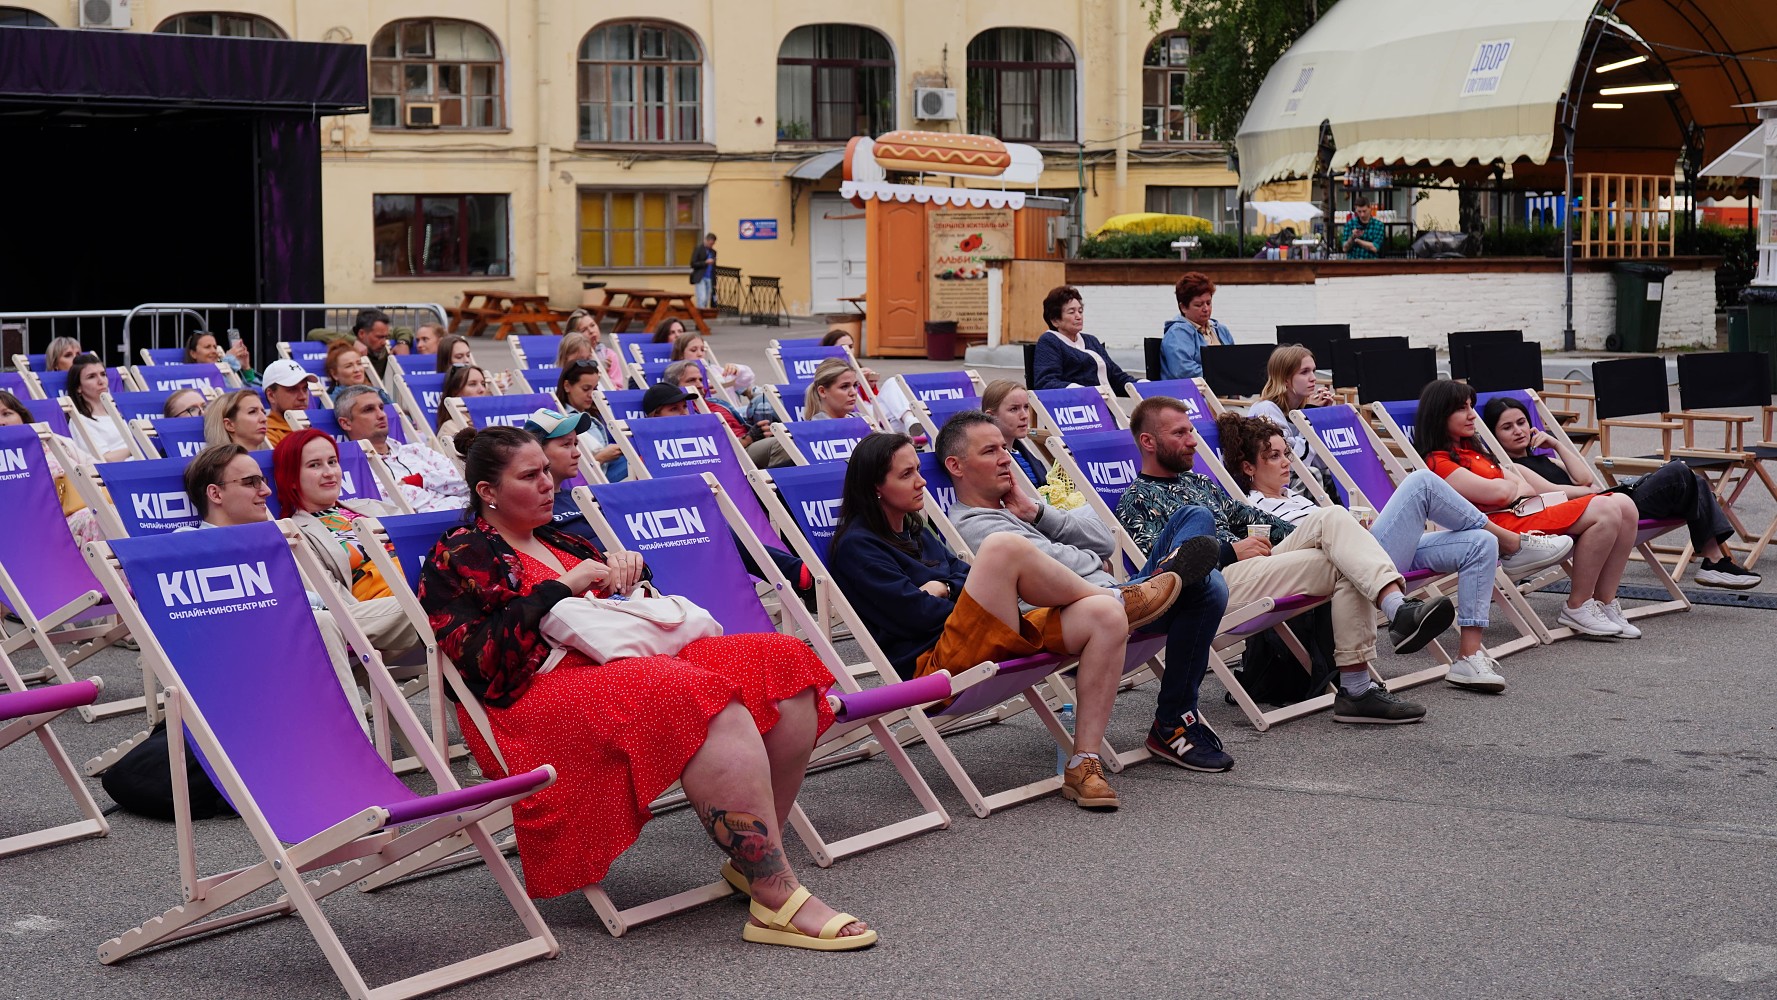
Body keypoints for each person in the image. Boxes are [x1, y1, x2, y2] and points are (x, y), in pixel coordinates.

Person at [417, 428, 873, 949]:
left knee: (781, 662)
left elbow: (620, 619)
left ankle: (755, 860)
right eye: (530, 475)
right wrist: (561, 587)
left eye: (547, 469)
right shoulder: (458, 554)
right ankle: (776, 895)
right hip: (529, 702)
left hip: (625, 669)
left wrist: (629, 576)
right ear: (487, 492)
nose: (549, 482)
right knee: (696, 691)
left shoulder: (563, 538)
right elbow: (482, 662)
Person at [829, 433, 1180, 807]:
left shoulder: (914, 529)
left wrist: (945, 590)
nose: (922, 482)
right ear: (876, 487)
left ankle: (1084, 762)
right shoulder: (857, 546)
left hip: (978, 638)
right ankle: (1120, 594)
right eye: (906, 475)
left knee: (1105, 617)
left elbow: (960, 578)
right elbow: (914, 616)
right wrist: (962, 599)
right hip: (933, 664)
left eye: (918, 470)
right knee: (1001, 546)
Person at [1116, 396, 1448, 723]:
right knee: (1343, 555)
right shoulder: (1137, 500)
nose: (1193, 441)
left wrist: (1332, 537)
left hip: (1260, 566)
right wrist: (1231, 551)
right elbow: (1165, 570)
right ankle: (1363, 678)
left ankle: (1380, 643)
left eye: (1191, 431)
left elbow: (1248, 514)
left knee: (1335, 526)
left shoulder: (1199, 482)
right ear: (1148, 441)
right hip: (1217, 585)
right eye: (1180, 434)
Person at [943, 412, 1235, 769]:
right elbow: (1067, 567)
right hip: (1084, 614)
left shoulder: (1018, 507)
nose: (1006, 457)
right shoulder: (974, 526)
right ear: (956, 466)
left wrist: (1036, 512)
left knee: (1195, 514)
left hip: (1116, 594)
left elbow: (1103, 539)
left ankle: (1164, 581)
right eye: (990, 451)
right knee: (1209, 585)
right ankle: (1173, 721)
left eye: (1005, 447)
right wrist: (1092, 561)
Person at [1218, 411, 1573, 691]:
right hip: (1344, 571)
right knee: (1420, 483)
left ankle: (1469, 657)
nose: (1286, 463)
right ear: (1249, 468)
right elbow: (1297, 555)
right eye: (1274, 456)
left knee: (1479, 543)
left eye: (1287, 454)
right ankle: (1513, 544)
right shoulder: (1256, 509)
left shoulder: (1296, 497)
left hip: (1369, 557)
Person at [1416, 379, 1643, 639]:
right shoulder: (1438, 461)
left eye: (1471, 406)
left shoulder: (1472, 450)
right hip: (1503, 528)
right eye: (1462, 409)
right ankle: (1577, 606)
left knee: (1625, 504)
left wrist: (1510, 489)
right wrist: (1509, 489)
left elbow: (1523, 487)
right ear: (1440, 415)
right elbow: (1502, 491)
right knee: (1605, 509)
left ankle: (1604, 602)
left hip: (1522, 512)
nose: (1471, 415)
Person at [1482, 395, 1759, 589]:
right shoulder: (1513, 468)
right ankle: (1714, 563)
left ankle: (1715, 561)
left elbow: (1584, 477)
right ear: (1494, 436)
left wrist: (1555, 443)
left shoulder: (1545, 459)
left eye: (1521, 422)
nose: (1518, 431)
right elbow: (1558, 494)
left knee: (1692, 480)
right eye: (1507, 427)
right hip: (1594, 511)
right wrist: (1585, 491)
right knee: (1677, 474)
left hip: (1601, 503)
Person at [181, 443, 367, 728]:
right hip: (252, 651)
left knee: (432, 612)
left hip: (310, 626)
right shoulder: (186, 545)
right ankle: (357, 750)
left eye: (263, 481)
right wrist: (314, 602)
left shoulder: (269, 540)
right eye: (251, 483)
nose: (266, 491)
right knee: (324, 622)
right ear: (215, 493)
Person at [275, 429, 423, 661]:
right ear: (292, 478)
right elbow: (332, 597)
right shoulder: (294, 534)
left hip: (421, 581)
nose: (329, 472)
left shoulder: (372, 506)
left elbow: (421, 542)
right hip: (382, 605)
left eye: (332, 462)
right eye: (315, 465)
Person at [334, 384, 468, 512]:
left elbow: (467, 476)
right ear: (346, 423)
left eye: (381, 407)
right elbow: (392, 505)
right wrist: (446, 488)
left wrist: (420, 481)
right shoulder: (354, 469)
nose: (382, 415)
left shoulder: (417, 451)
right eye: (369, 409)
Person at [0, 391, 101, 545]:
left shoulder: (55, 441)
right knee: (96, 519)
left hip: (82, 505)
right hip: (38, 524)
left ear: (23, 416)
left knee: (113, 514)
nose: (2, 422)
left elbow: (95, 468)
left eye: (6, 413)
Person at [1245, 344, 1338, 492]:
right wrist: (1310, 417)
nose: (1313, 378)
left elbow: (1323, 463)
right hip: (1266, 485)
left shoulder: (1298, 409)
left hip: (1288, 478)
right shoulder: (1266, 409)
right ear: (1286, 379)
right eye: (1304, 372)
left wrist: (1323, 418)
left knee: (1334, 474)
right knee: (1311, 475)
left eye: (1313, 371)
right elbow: (1295, 462)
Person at [1031, 285, 1138, 394]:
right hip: (1080, 406)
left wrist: (1142, 384)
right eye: (1072, 312)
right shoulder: (1049, 341)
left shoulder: (1091, 340)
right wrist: (1084, 392)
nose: (1078, 316)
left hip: (1108, 405)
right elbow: (1045, 383)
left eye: (1080, 311)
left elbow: (1116, 377)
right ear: (1055, 320)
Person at [517, 410, 602, 540]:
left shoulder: (581, 496)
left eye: (575, 444)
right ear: (538, 450)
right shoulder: (533, 508)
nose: (577, 453)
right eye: (566, 444)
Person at [555, 360, 627, 481]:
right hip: (590, 480)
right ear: (567, 386)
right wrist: (602, 457)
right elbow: (568, 472)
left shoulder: (594, 412)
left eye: (594, 389)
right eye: (586, 389)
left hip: (603, 471)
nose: (591, 394)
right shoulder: (562, 421)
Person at [1159, 272, 1235, 380]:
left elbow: (1236, 364)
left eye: (1208, 303)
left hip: (1224, 393)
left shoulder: (1221, 330)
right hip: (1191, 395)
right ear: (1183, 307)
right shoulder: (1177, 333)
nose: (1206, 309)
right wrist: (1226, 378)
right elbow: (1183, 372)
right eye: (1198, 305)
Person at [981, 379, 1052, 483]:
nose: (1025, 416)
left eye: (1026, 407)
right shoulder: (987, 462)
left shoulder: (1026, 455)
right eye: (1014, 409)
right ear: (991, 416)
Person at [66, 354, 131, 462]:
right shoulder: (80, 421)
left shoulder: (121, 412)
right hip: (118, 473)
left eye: (103, 374)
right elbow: (104, 459)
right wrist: (139, 447)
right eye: (91, 376)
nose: (101, 381)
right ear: (78, 387)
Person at [435, 364, 492, 458]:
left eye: (483, 384)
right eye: (472, 384)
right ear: (455, 392)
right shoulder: (450, 427)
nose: (482, 389)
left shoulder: (494, 417)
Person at [259, 358, 320, 447]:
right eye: (292, 390)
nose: (303, 397)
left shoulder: (318, 425)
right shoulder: (266, 435)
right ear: (271, 395)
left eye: (305, 388)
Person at [674, 333, 755, 398]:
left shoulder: (715, 370)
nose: (700, 354)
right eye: (693, 350)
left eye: (702, 350)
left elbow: (748, 379)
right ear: (681, 354)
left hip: (732, 412)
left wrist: (737, 369)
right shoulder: (680, 375)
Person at [326, 340, 391, 405]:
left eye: (359, 363)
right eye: (348, 366)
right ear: (334, 374)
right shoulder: (331, 401)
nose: (357, 369)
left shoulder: (378, 392)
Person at [184, 330, 259, 386]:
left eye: (215, 347)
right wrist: (228, 361)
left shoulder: (226, 372)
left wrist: (246, 368)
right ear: (193, 354)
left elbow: (259, 396)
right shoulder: (190, 379)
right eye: (207, 347)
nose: (214, 351)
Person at [203, 389, 269, 451]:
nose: (264, 419)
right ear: (229, 425)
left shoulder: (272, 460)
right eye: (252, 411)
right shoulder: (219, 463)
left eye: (264, 412)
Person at [353, 308, 397, 378]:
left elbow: (402, 330)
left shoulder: (386, 352)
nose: (384, 343)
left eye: (386, 337)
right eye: (379, 337)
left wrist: (403, 342)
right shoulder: (347, 355)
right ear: (361, 334)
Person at [689, 233, 718, 310]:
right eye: (710, 243)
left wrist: (714, 280)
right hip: (700, 277)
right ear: (706, 240)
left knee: (706, 299)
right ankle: (700, 315)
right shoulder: (699, 249)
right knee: (702, 297)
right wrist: (705, 262)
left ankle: (703, 313)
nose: (711, 245)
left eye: (713, 244)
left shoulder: (713, 252)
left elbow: (714, 267)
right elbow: (693, 263)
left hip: (709, 277)